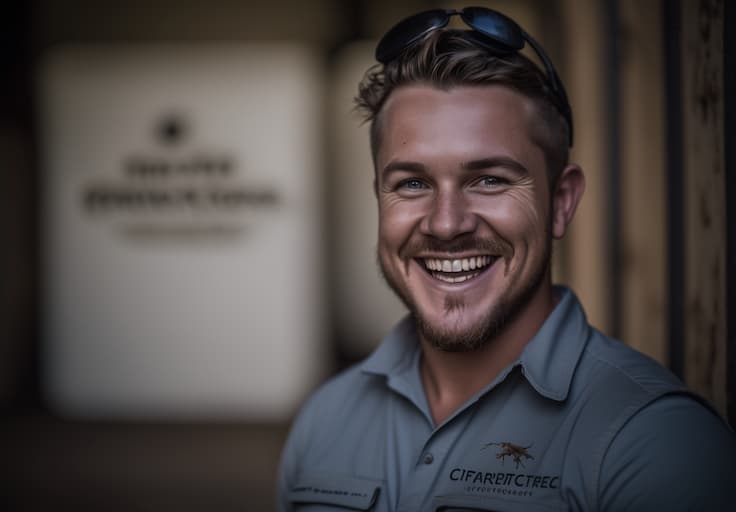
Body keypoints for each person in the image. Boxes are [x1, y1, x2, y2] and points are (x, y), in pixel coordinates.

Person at [278, 7, 735, 511]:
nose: (446, 224)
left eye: (489, 179)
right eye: (411, 184)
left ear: (561, 202)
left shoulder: (655, 443)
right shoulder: (324, 419)